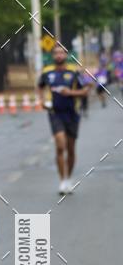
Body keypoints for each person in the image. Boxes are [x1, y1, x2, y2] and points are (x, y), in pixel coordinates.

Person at [37, 43, 90, 195]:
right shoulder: (47, 72)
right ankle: (62, 181)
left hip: (72, 114)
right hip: (55, 113)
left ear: (66, 55)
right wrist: (41, 101)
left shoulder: (74, 71)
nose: (59, 55)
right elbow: (40, 86)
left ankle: (69, 179)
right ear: (52, 56)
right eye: (56, 53)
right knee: (61, 145)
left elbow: (86, 90)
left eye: (62, 53)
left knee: (71, 148)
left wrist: (70, 93)